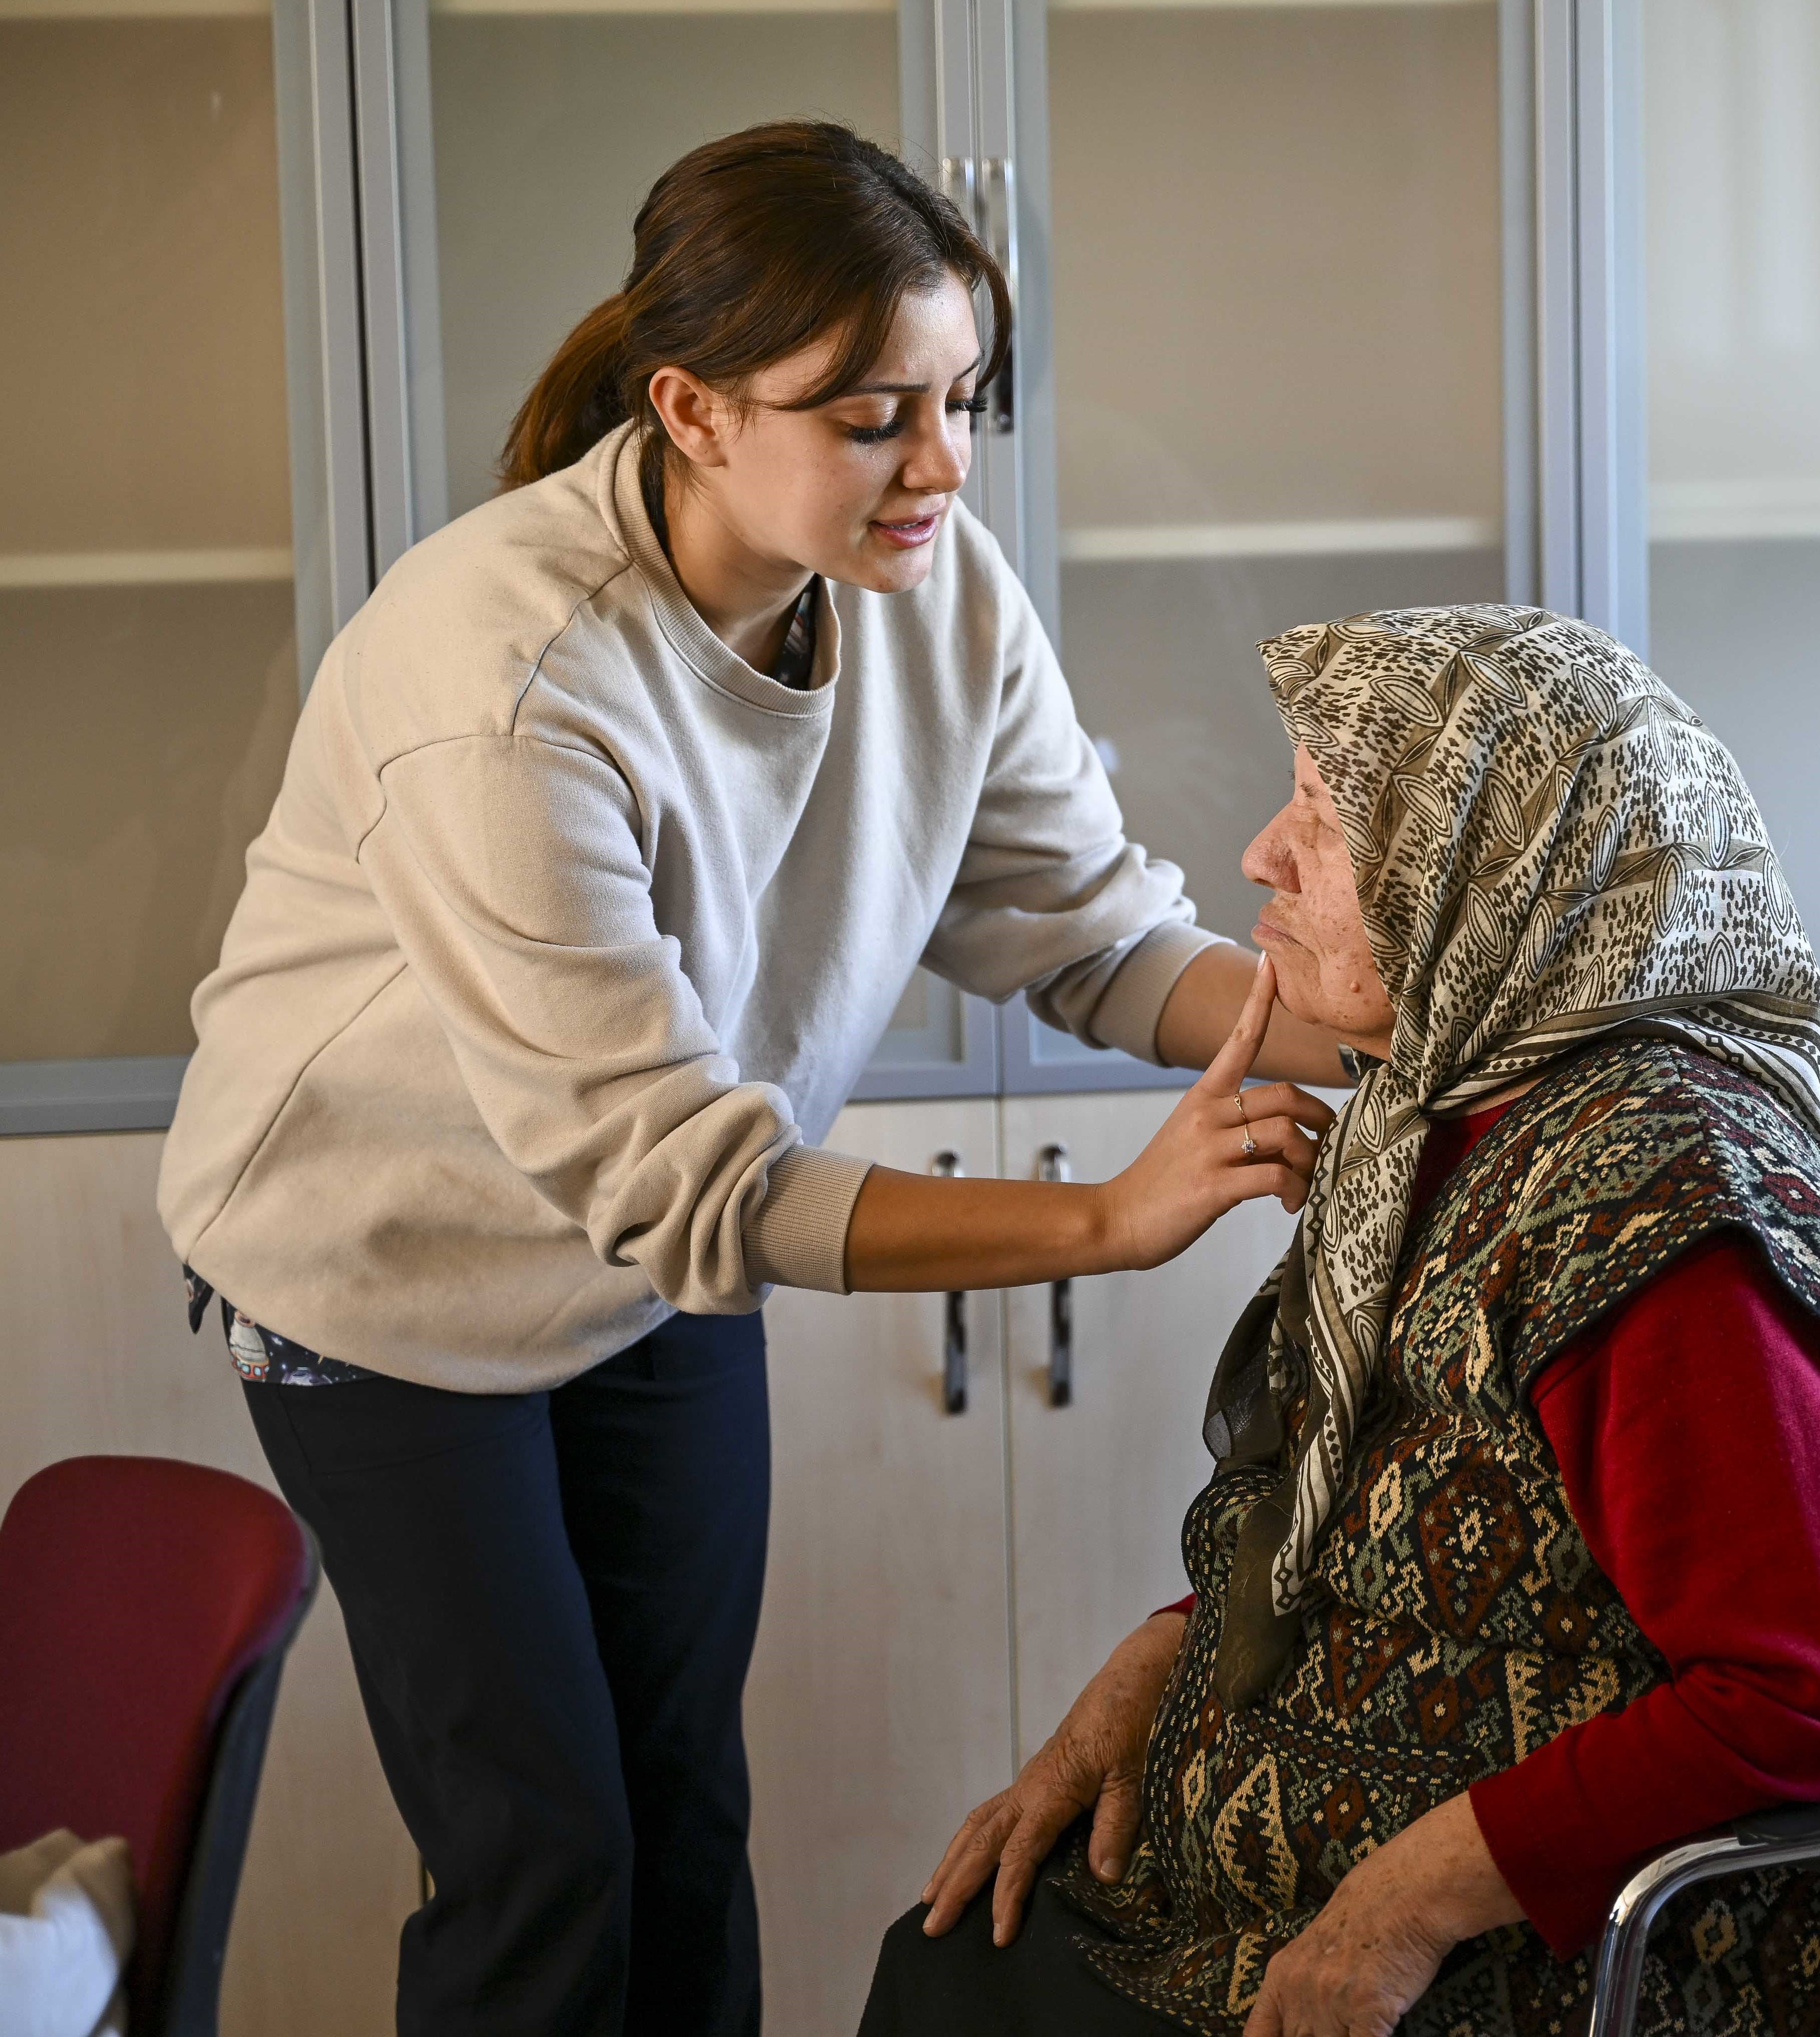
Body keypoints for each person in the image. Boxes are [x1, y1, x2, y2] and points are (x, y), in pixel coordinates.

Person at [155, 120, 1340, 2035]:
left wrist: (1411, 1017)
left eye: (963, 400)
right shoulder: (510, 673)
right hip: (385, 1281)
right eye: (874, 416)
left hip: (652, 1259)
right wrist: (1110, 1223)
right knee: (548, 1852)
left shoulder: (926, 579)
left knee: (687, 1811)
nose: (942, 466)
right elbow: (684, 1179)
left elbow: (1087, 930)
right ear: (692, 409)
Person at [866, 605, 1820, 2037]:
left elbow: (1812, 1697)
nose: (1259, 857)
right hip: (1381, 1858)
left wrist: (1390, 1912)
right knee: (964, 1950)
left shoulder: (1656, 1214)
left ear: (1495, 871)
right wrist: (1151, 1663)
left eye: (1323, 818)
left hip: (1646, 1946)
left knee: (975, 1988)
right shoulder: (1449, 1110)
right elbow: (1385, 1511)